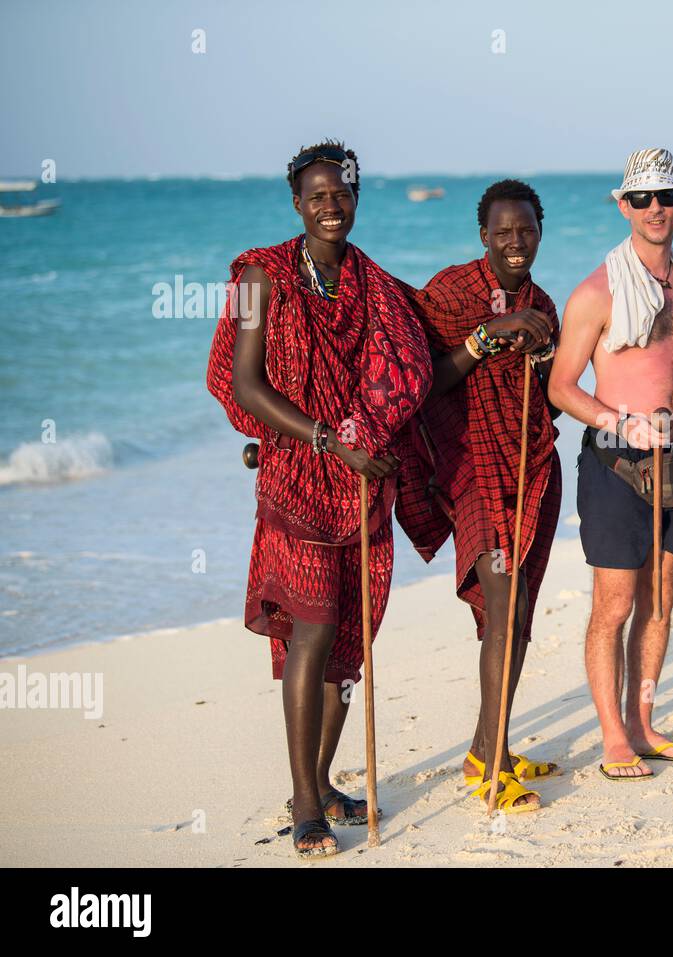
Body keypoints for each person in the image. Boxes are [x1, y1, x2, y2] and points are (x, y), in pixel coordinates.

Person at [206, 141, 433, 857]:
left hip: (361, 479)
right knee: (311, 626)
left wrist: (496, 333)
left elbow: (421, 352)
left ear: (357, 199)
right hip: (301, 473)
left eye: (343, 194)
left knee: (346, 640)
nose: (331, 205)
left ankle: (325, 778)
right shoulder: (258, 275)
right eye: (317, 196)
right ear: (296, 203)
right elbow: (245, 386)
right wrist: (332, 441)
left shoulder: (372, 284)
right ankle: (306, 802)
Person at [548, 148, 673, 780]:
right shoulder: (596, 292)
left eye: (668, 196)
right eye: (643, 198)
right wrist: (620, 423)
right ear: (623, 205)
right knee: (617, 605)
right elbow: (562, 386)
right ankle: (613, 738)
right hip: (618, 462)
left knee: (660, 603)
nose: (656, 209)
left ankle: (644, 724)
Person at [395, 179, 562, 814]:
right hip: (475, 469)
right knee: (502, 605)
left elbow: (549, 397)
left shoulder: (544, 300)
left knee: (517, 617)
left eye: (526, 230)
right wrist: (489, 337)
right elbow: (422, 382)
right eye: (503, 232)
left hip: (532, 470)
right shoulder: (453, 291)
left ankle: (483, 747)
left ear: (539, 233)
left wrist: (542, 351)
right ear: (483, 237)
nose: (515, 242)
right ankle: (492, 769)